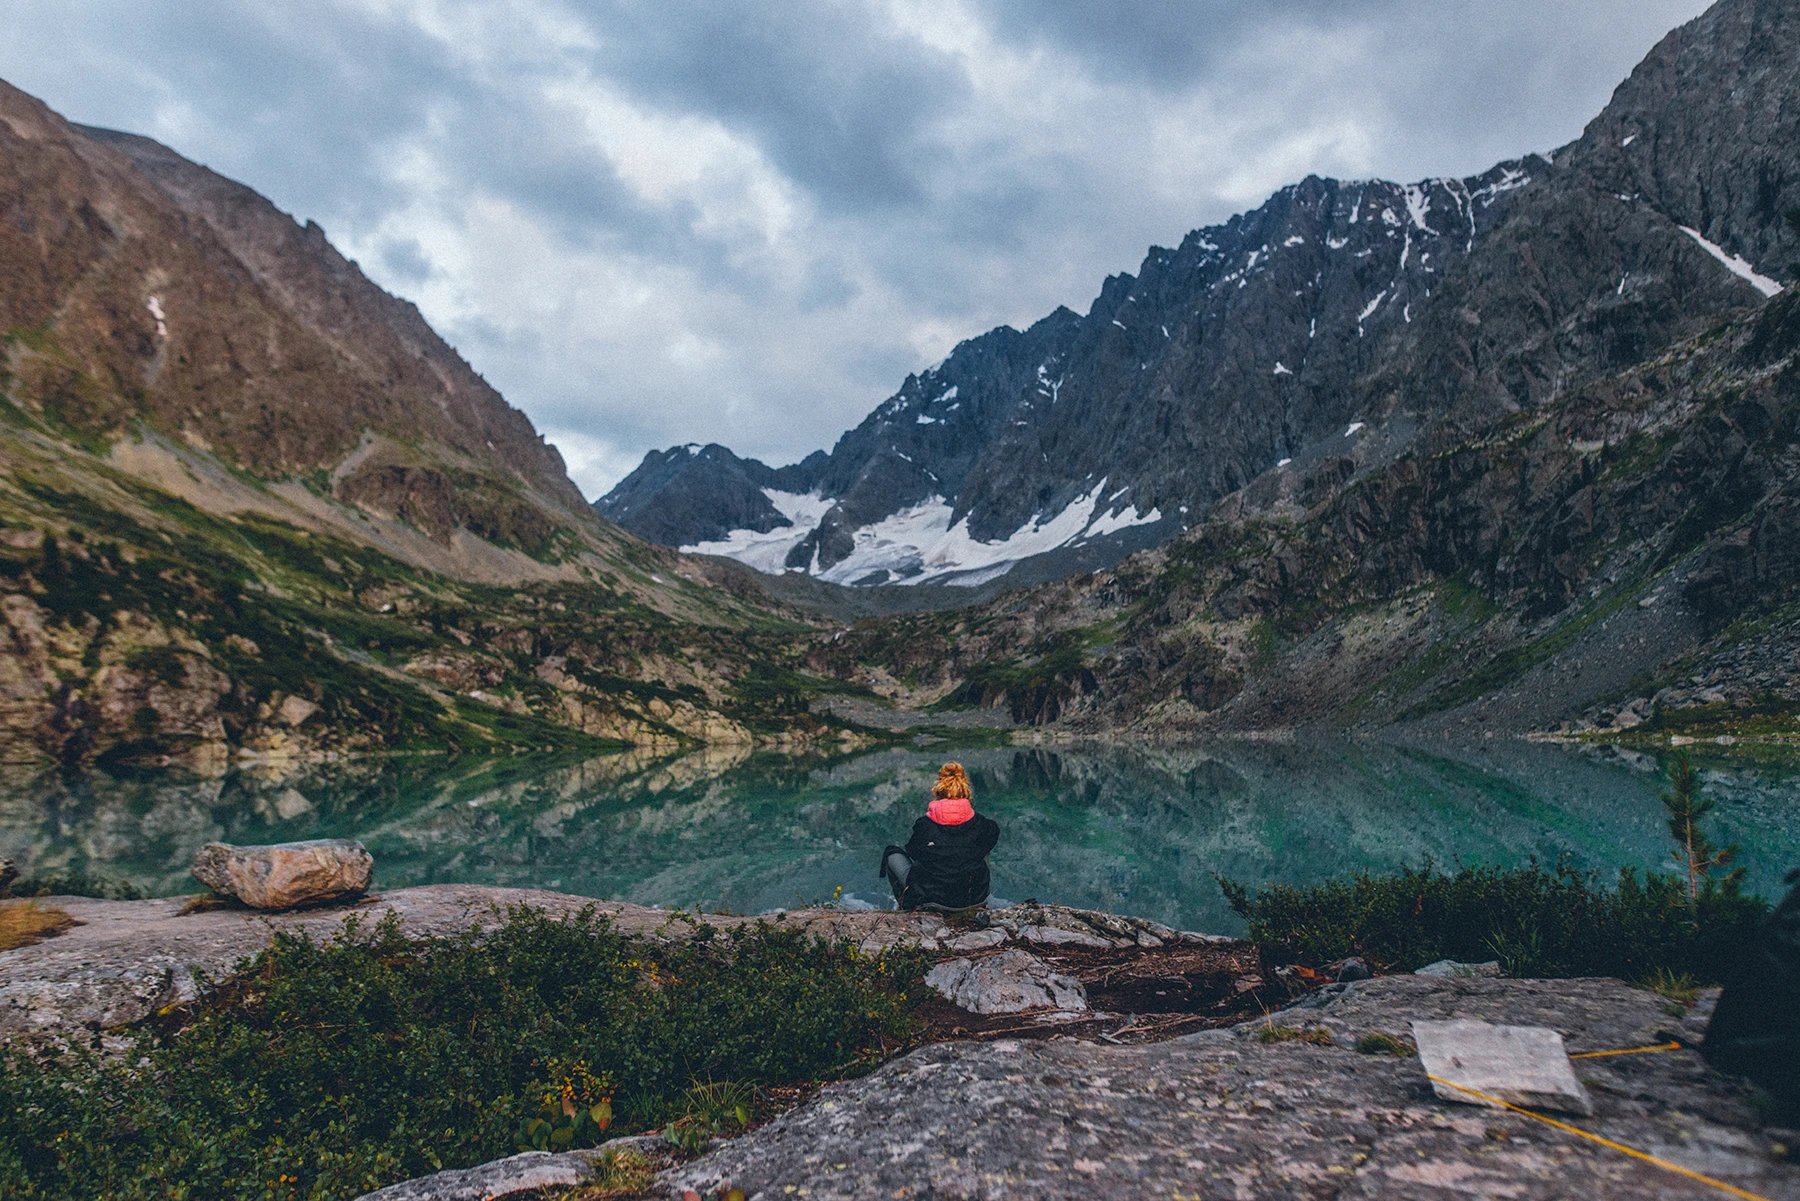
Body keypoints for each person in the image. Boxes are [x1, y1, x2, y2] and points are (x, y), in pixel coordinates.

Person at [879, 762, 1000, 912]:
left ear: (938, 792)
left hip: (932, 900)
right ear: (966, 793)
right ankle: (976, 898)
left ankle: (908, 906)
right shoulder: (983, 825)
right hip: (974, 899)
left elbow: (913, 852)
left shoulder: (924, 825)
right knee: (983, 847)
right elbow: (991, 839)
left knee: (892, 854)